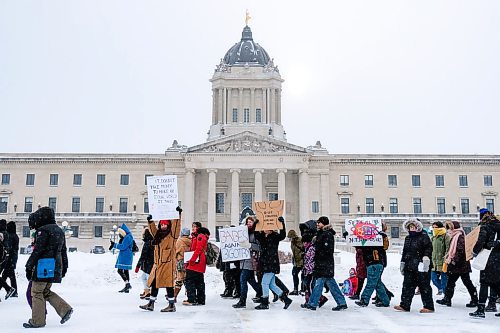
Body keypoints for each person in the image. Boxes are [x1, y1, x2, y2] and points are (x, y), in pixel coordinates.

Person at [24, 207, 73, 328]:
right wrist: (64, 267)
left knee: (36, 292)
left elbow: (38, 251)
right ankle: (65, 309)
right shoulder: (59, 231)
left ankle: (38, 321)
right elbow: (63, 251)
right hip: (55, 265)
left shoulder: (43, 230)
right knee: (45, 291)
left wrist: (29, 266)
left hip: (43, 266)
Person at [140, 207, 182, 312]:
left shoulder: (172, 236)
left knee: (168, 285)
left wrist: (178, 215)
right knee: (155, 283)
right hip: (157, 264)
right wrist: (150, 221)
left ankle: (171, 305)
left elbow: (176, 226)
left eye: (165, 225)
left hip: (168, 264)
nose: (163, 226)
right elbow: (153, 229)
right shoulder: (157, 235)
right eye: (162, 224)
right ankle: (151, 303)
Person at [302, 216, 347, 311]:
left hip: (324, 264)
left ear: (324, 223)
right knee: (332, 285)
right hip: (323, 264)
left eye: (319, 222)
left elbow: (327, 249)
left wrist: (318, 253)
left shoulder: (327, 235)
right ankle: (341, 302)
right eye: (317, 222)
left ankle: (312, 303)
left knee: (318, 284)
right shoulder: (321, 234)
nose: (317, 224)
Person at [394, 218, 434, 313]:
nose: (411, 229)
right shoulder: (408, 238)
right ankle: (405, 305)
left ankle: (429, 306)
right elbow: (405, 251)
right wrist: (403, 262)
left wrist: (426, 257)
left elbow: (428, 248)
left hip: (421, 265)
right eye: (410, 227)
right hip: (409, 265)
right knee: (407, 286)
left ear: (417, 227)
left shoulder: (424, 236)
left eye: (413, 227)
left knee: (424, 286)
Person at [436, 221, 477, 307]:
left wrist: (453, 261)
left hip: (460, 265)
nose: (448, 230)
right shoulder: (455, 236)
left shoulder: (459, 237)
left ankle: (474, 300)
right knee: (454, 282)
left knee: (462, 282)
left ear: (454, 228)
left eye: (450, 228)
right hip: (459, 265)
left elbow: (460, 251)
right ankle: (448, 299)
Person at [254, 216, 292, 310]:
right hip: (264, 262)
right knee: (271, 285)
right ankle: (286, 299)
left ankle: (265, 302)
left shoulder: (275, 236)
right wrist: (256, 224)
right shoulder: (262, 236)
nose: (264, 229)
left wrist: (282, 223)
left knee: (264, 283)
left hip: (271, 263)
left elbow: (283, 235)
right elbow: (255, 235)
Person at [469, 209, 500, 318]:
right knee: (496, 283)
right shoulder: (498, 225)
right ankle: (488, 305)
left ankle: (480, 309)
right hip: (498, 258)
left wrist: (474, 251)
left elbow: (481, 241)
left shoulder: (486, 226)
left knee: (484, 282)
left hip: (488, 258)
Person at [233, 216, 263, 308]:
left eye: (250, 222)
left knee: (242, 280)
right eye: (247, 222)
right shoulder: (243, 233)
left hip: (250, 261)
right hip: (243, 261)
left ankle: (242, 301)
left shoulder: (256, 234)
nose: (248, 224)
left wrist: (249, 245)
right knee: (252, 281)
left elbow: (259, 247)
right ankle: (262, 294)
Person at [300, 220, 328, 308]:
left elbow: (312, 259)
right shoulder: (307, 246)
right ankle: (310, 300)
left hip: (311, 269)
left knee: (311, 285)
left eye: (305, 242)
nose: (304, 244)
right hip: (307, 269)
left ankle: (318, 299)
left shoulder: (312, 246)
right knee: (307, 285)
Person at [183, 226, 210, 306]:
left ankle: (192, 299)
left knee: (190, 280)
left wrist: (192, 260)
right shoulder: (201, 236)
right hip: (200, 262)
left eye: (194, 227)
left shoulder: (200, 236)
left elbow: (198, 249)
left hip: (196, 262)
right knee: (199, 281)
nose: (193, 228)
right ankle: (200, 299)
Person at [110, 223, 134, 293]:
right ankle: (127, 287)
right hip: (126, 255)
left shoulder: (128, 237)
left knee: (120, 270)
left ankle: (127, 284)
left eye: (120, 233)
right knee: (126, 271)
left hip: (125, 256)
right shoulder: (128, 236)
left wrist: (114, 245)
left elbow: (123, 246)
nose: (120, 235)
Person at [430, 221, 450, 295]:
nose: (435, 229)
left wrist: (445, 259)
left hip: (443, 262)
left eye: (436, 227)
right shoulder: (433, 237)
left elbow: (448, 248)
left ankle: (446, 296)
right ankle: (441, 289)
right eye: (433, 227)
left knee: (444, 281)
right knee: (434, 279)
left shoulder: (446, 236)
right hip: (434, 262)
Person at [135, 227, 154, 299]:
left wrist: (138, 266)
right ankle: (147, 291)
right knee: (145, 277)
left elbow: (143, 255)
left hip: (148, 264)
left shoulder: (147, 243)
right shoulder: (153, 241)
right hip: (151, 263)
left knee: (147, 278)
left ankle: (149, 292)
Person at [174, 227, 191, 302]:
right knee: (187, 280)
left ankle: (174, 296)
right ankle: (190, 296)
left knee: (179, 280)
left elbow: (175, 252)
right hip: (189, 262)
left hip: (181, 261)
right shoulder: (191, 241)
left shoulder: (179, 241)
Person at [0, 219, 16, 300]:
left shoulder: (2, 233)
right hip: (5, 258)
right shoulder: (7, 233)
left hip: (2, 258)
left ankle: (9, 289)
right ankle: (9, 289)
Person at [287, 229, 304, 295]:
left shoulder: (300, 240)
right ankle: (295, 289)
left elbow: (303, 249)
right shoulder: (292, 242)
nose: (290, 239)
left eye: (291, 237)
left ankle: (303, 289)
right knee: (294, 274)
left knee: (304, 276)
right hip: (296, 261)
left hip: (302, 261)